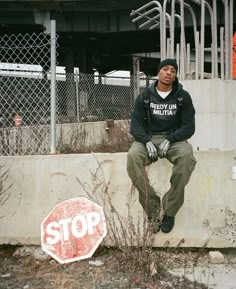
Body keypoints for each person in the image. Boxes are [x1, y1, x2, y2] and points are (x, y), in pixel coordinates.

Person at [127, 58, 197, 234]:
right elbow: (135, 125)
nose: (169, 73)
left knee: (187, 156)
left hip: (174, 140)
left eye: (173, 70)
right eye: (165, 69)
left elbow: (189, 126)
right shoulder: (144, 96)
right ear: (158, 73)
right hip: (148, 139)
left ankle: (170, 210)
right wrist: (146, 141)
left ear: (175, 75)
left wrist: (172, 139)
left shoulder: (182, 96)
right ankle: (152, 209)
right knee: (133, 156)